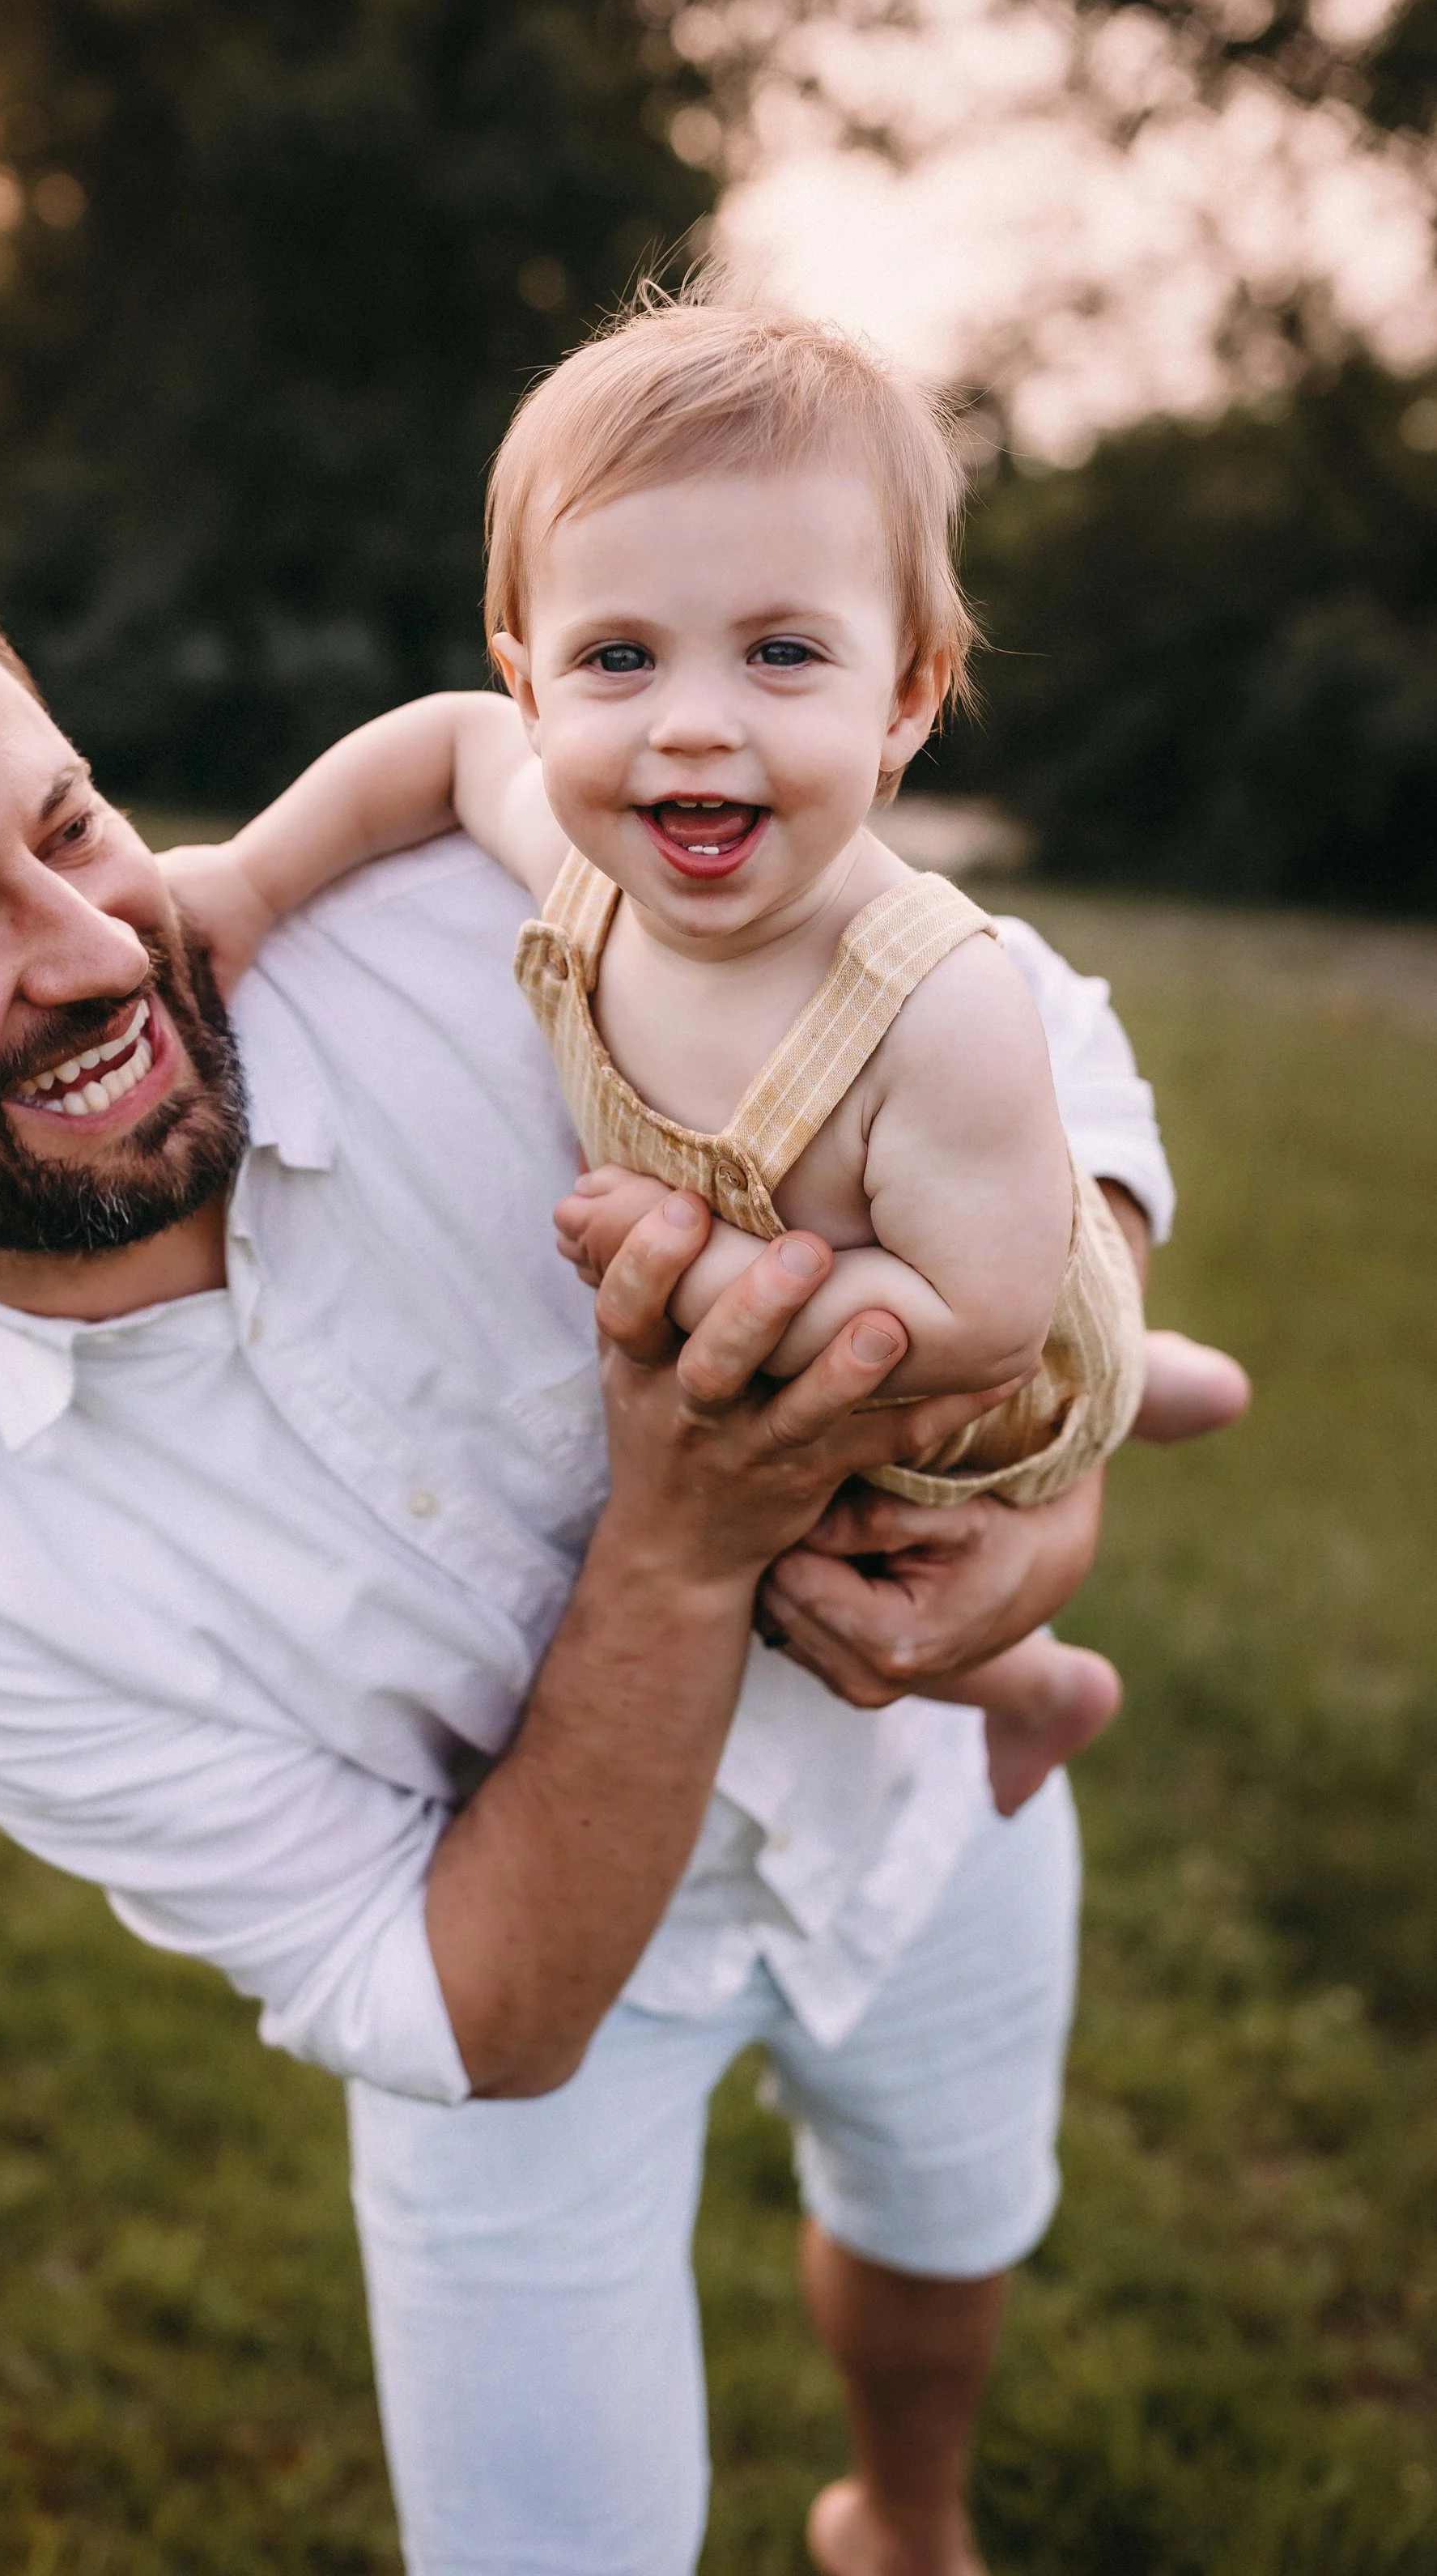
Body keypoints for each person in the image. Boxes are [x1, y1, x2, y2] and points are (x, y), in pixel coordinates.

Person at [0, 536, 1188, 2576]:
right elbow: (477, 2008)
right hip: (543, 1999)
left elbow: (1008, 1013)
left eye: (69, 820)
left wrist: (1041, 1468)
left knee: (941, 2230)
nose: (101, 943)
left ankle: (906, 2536)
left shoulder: (461, 914)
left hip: (924, 1795)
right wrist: (678, 1544)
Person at [170, 299, 1248, 1817]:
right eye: (618, 657)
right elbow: (440, 743)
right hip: (957, 1259)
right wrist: (253, 880)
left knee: (815, 1561)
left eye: (782, 653)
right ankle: (1098, 1570)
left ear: (907, 697)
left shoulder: (931, 1004)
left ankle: (1072, 1559)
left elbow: (983, 1316)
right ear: (533, 683)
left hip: (955, 1363)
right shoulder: (577, 862)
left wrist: (710, 1289)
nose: (690, 725)